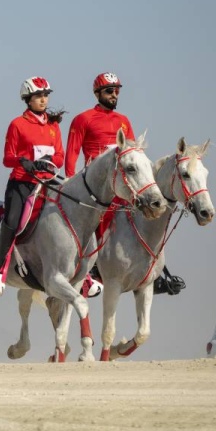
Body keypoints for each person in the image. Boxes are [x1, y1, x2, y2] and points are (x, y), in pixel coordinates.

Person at [0, 77, 65, 296]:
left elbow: (60, 155)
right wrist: (23, 161)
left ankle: (84, 275)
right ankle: (0, 273)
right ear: (28, 100)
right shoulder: (17, 125)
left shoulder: (53, 125)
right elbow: (7, 158)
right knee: (12, 222)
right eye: (39, 96)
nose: (43, 100)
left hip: (46, 182)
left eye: (46, 96)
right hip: (21, 183)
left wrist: (49, 160)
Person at [65, 72, 135, 297]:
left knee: (145, 210)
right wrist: (68, 181)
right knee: (97, 218)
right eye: (109, 90)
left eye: (117, 90)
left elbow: (132, 152)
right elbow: (72, 153)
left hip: (120, 180)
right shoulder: (83, 119)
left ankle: (155, 270)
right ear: (97, 93)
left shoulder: (123, 121)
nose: (114, 94)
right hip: (94, 184)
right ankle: (89, 268)